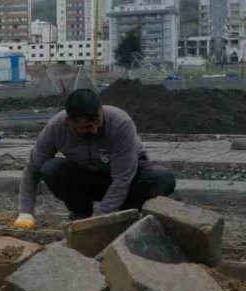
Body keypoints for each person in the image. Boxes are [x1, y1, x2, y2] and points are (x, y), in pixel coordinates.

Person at [14, 88, 176, 229]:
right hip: (90, 178)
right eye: (86, 127)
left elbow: (122, 179)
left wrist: (99, 219)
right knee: (51, 168)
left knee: (161, 177)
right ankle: (81, 214)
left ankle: (126, 215)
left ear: (100, 111)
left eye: (97, 122)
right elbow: (32, 170)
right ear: (70, 122)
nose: (95, 129)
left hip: (128, 179)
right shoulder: (56, 128)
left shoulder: (119, 123)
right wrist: (26, 213)